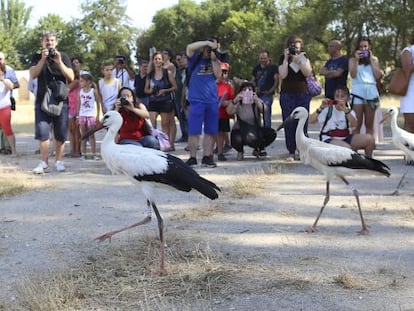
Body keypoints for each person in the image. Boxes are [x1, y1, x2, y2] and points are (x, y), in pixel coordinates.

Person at [29, 30, 74, 174]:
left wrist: (59, 62)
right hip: (42, 99)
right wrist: (42, 59)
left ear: (56, 42)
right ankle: (44, 162)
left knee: (60, 133)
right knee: (43, 131)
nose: (49, 43)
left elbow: (71, 77)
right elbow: (33, 74)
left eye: (52, 40)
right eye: (47, 40)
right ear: (42, 42)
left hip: (60, 100)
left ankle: (59, 161)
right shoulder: (37, 57)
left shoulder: (64, 57)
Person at [185, 37, 222, 168]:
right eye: (207, 47)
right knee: (194, 131)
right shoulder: (195, 58)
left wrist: (214, 58)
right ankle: (193, 157)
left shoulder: (217, 60)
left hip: (211, 100)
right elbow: (189, 47)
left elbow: (218, 75)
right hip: (196, 100)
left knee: (210, 131)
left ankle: (207, 156)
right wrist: (206, 43)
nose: (208, 49)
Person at [308, 85, 375, 157]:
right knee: (346, 149)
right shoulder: (327, 109)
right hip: (328, 139)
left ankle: (369, 162)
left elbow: (354, 125)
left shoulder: (349, 112)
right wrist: (321, 108)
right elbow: (310, 121)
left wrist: (345, 110)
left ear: (347, 98)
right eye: (337, 96)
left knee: (369, 139)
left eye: (342, 96)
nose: (339, 99)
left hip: (345, 138)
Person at [278, 35, 313, 161]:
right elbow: (283, 74)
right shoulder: (283, 58)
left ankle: (303, 150)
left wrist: (299, 59)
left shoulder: (304, 57)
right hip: (287, 94)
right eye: (293, 47)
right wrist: (286, 59)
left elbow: (307, 72)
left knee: (302, 123)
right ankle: (291, 151)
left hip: (302, 94)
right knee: (289, 122)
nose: (295, 50)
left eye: (297, 48)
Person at [226, 81, 272, 161]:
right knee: (236, 138)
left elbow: (265, 110)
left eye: (250, 90)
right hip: (241, 129)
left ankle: (258, 149)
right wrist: (235, 100)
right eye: (244, 90)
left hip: (255, 130)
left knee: (271, 133)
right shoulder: (238, 103)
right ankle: (240, 151)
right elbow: (229, 111)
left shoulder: (256, 102)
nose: (247, 91)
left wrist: (257, 100)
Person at [348, 36, 382, 137]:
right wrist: (357, 60)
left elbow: (378, 75)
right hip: (357, 90)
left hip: (371, 91)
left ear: (369, 47)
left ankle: (370, 148)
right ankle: (354, 149)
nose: (363, 49)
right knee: (357, 124)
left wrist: (371, 60)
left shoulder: (374, 60)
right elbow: (353, 75)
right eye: (361, 47)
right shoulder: (352, 60)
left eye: (365, 46)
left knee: (369, 124)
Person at [144, 51, 177, 151]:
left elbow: (175, 87)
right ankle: (153, 144)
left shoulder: (168, 72)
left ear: (162, 60)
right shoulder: (150, 75)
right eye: (155, 59)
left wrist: (165, 90)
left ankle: (165, 145)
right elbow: (146, 89)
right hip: (153, 101)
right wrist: (151, 91)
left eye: (159, 59)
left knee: (165, 125)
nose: (157, 61)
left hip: (165, 101)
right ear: (153, 61)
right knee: (152, 124)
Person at [251, 49, 279, 128]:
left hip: (267, 95)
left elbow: (276, 80)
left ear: (268, 58)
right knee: (255, 114)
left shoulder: (273, 67)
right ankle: (257, 132)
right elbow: (253, 80)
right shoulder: (256, 68)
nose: (262, 60)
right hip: (257, 94)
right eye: (261, 58)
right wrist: (254, 88)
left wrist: (271, 90)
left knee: (266, 114)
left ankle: (267, 133)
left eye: (264, 58)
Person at [78, 73, 101, 159]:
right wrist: (78, 115)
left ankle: (93, 153)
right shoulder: (80, 92)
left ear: (88, 82)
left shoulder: (93, 91)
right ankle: (83, 154)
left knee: (91, 134)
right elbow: (79, 104)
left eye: (82, 81)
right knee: (83, 135)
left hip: (91, 114)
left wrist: (98, 114)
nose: (80, 83)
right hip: (82, 114)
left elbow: (98, 103)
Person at [0, 52, 19, 155]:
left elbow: (13, 86)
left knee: (6, 128)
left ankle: (12, 150)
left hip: (4, 106)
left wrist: (2, 79)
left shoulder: (7, 74)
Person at [215, 62, 235, 161]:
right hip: (213, 113)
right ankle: (215, 150)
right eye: (221, 72)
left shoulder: (228, 86)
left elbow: (232, 99)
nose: (223, 75)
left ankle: (220, 152)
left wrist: (227, 102)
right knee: (214, 133)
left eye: (225, 72)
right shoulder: (212, 84)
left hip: (223, 114)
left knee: (222, 133)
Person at [399, 36, 414, 134]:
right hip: (410, 91)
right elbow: (407, 69)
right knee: (410, 125)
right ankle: (408, 148)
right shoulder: (407, 51)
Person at [174, 52, 188, 143]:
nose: (180, 61)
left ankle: (191, 137)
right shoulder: (177, 71)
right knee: (181, 117)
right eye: (178, 60)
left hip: (188, 97)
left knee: (189, 118)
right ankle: (184, 135)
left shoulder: (190, 70)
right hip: (178, 97)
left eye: (182, 59)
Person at [67, 68, 81, 157]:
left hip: (75, 106)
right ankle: (72, 149)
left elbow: (66, 89)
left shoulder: (76, 81)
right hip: (69, 106)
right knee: (71, 130)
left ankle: (77, 150)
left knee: (76, 130)